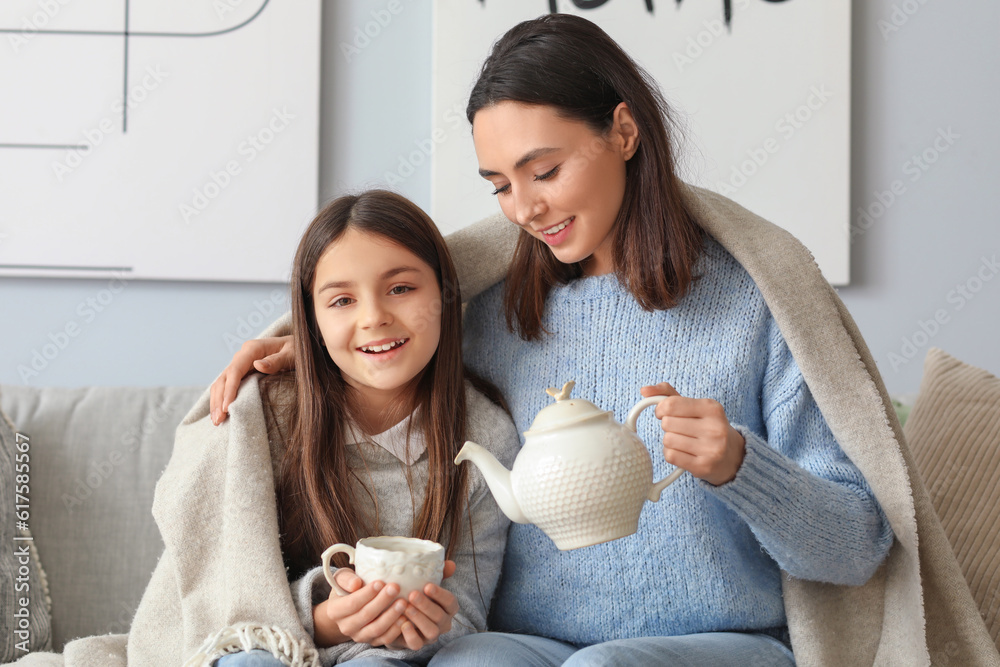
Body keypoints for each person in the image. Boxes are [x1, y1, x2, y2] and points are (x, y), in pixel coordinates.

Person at [207, 14, 979, 667]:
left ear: (623, 129)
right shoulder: (491, 308)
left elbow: (858, 547)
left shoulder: (754, 300)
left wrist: (741, 465)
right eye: (500, 185)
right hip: (530, 643)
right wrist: (294, 355)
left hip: (727, 642)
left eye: (543, 170)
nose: (525, 209)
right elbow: (385, 326)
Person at [215, 189, 518, 666]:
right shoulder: (272, 416)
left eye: (401, 288)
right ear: (310, 322)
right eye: (341, 300)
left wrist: (420, 627)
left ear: (445, 294)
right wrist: (325, 621)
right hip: (285, 643)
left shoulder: (485, 437)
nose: (374, 316)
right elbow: (225, 586)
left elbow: (468, 614)